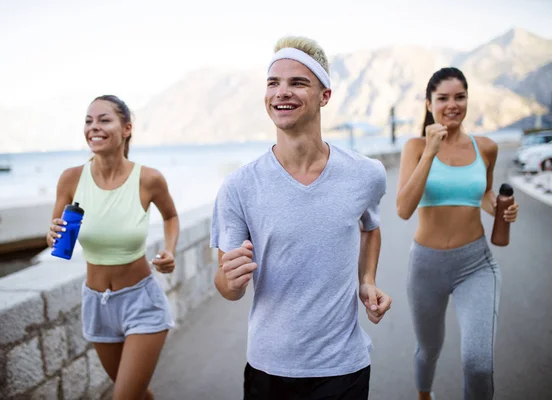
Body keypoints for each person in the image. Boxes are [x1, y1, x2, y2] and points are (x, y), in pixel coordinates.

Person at [210, 36, 392, 400]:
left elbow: (370, 228)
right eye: (273, 82)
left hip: (343, 366)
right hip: (268, 367)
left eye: (298, 82)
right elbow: (227, 287)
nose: (282, 92)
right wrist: (230, 280)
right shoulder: (239, 186)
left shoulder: (365, 174)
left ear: (325, 95)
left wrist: (367, 280)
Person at [396, 67, 519, 400]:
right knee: (428, 349)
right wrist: (431, 151)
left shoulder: (486, 147)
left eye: (460, 97)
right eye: (443, 98)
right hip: (426, 266)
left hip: (475, 264)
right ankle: (425, 396)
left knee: (478, 363)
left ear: (467, 100)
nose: (453, 105)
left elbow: (484, 194)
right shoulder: (415, 147)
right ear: (429, 103)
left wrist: (501, 208)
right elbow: (404, 208)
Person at [46, 95, 179, 400]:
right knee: (136, 393)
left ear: (126, 128)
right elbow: (53, 235)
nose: (94, 127)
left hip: (141, 302)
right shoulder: (70, 179)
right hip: (97, 304)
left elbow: (170, 216)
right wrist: (52, 234)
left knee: (123, 397)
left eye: (104, 120)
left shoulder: (148, 179)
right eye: (89, 120)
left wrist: (170, 250)